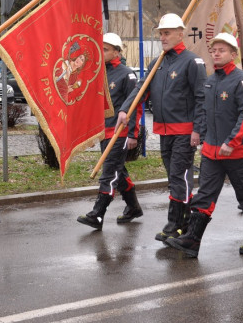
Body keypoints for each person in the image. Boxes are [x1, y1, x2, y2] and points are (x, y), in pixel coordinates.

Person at [166, 34, 243, 257]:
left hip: (236, 151)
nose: (216, 53)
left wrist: (232, 141)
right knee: (204, 196)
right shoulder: (210, 80)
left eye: (222, 50)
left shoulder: (242, 81)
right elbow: (203, 111)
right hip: (211, 151)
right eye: (214, 50)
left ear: (233, 54)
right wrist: (199, 133)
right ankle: (192, 240)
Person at [120, 13, 206, 242]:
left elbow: (201, 98)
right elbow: (141, 88)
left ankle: (175, 223)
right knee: (174, 176)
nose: (162, 37)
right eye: (160, 33)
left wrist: (198, 130)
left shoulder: (192, 62)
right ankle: (184, 221)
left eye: (167, 33)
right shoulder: (157, 62)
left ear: (181, 33)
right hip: (164, 130)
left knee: (179, 175)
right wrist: (124, 109)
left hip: (185, 131)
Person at [77, 33, 143, 229]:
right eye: (100, 49)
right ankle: (133, 207)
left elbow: (135, 105)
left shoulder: (127, 74)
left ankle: (97, 214)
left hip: (119, 133)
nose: (102, 53)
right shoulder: (99, 73)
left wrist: (133, 134)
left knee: (109, 174)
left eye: (105, 49)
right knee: (118, 172)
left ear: (116, 51)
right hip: (103, 132)